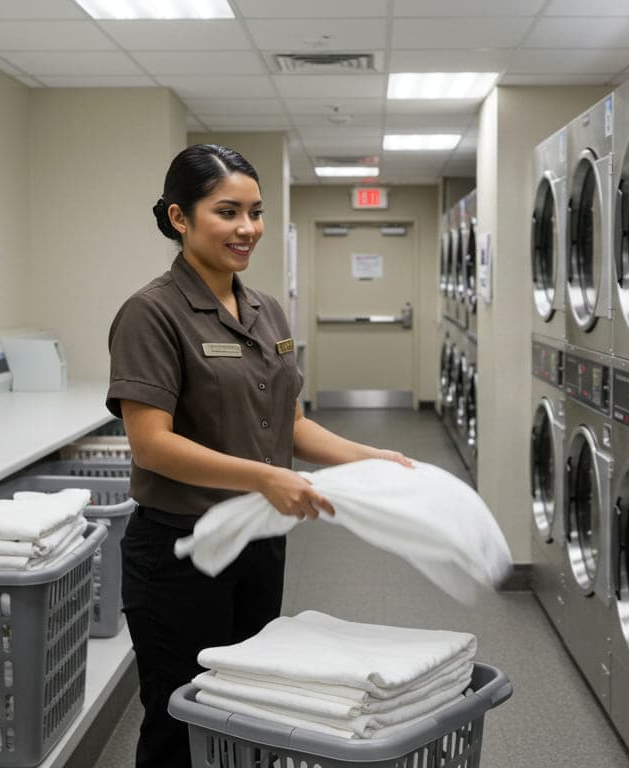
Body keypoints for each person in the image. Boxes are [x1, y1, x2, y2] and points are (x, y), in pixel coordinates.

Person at [105, 144, 412, 767]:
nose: (247, 229)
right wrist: (265, 477)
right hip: (179, 552)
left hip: (258, 544)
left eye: (255, 212)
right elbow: (151, 444)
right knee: (178, 718)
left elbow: (289, 424)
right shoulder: (152, 312)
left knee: (248, 709)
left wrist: (364, 456)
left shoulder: (265, 309)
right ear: (180, 218)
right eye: (227, 212)